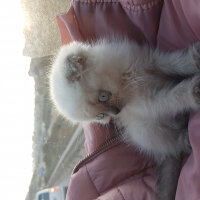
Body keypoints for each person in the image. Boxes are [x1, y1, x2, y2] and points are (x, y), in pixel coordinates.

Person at [56, 0, 200, 199]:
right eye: (101, 116)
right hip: (167, 131)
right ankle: (181, 142)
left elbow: (156, 61)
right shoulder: (109, 95)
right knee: (142, 131)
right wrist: (188, 94)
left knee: (157, 66)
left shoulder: (113, 55)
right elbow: (157, 105)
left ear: (83, 60)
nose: (114, 112)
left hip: (170, 95)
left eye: (103, 97)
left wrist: (187, 60)